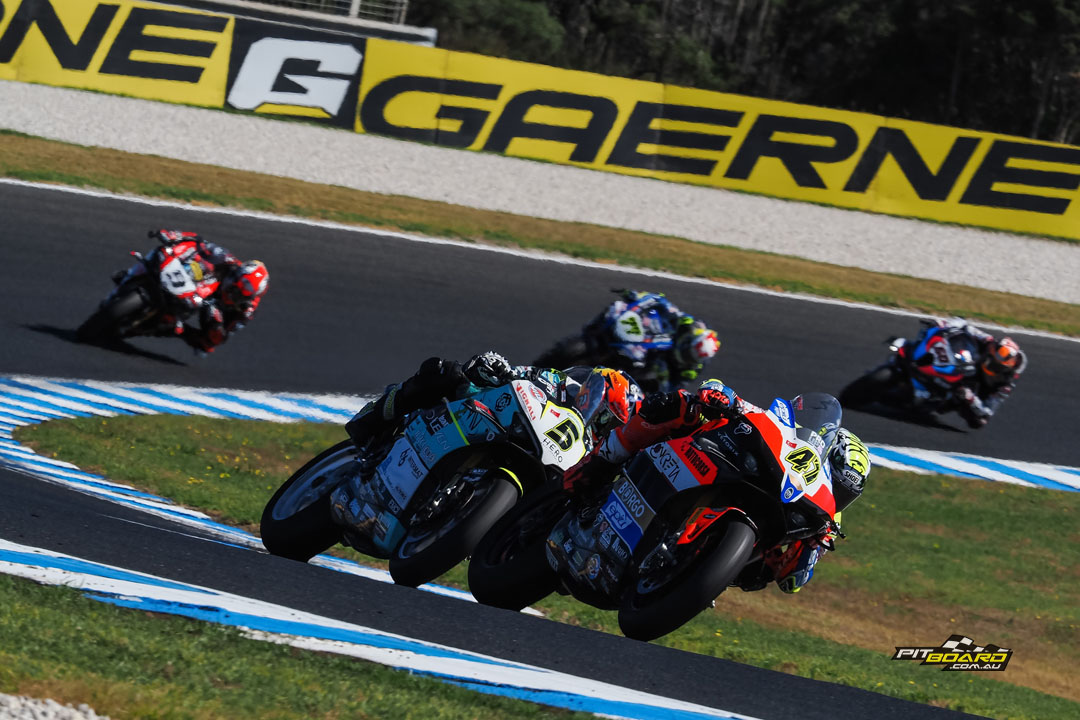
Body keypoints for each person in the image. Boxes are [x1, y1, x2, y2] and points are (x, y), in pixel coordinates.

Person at [562, 379, 871, 594]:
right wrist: (723, 396)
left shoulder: (823, 518)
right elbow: (731, 399)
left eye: (844, 493)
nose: (836, 493)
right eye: (836, 481)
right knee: (681, 405)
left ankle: (682, 570)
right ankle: (600, 463)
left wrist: (804, 552)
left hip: (728, 557)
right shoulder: (788, 437)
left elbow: (793, 582)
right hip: (733, 466)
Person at [345, 351, 643, 452]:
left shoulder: (586, 450)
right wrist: (497, 368)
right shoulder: (559, 383)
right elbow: (519, 373)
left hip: (521, 457)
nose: (603, 423)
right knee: (447, 372)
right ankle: (375, 416)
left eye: (612, 423)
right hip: (487, 415)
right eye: (606, 413)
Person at [538, 289, 721, 394]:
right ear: (689, 339)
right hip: (639, 340)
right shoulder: (686, 324)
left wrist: (661, 381)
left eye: (690, 356)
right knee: (617, 314)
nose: (686, 354)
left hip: (644, 371)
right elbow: (660, 302)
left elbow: (673, 388)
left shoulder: (691, 370)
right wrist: (637, 298)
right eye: (688, 349)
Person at [134, 229, 269, 353]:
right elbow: (200, 243)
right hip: (200, 286)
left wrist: (217, 327)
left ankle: (170, 328)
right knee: (189, 263)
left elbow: (224, 334)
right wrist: (174, 236)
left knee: (208, 343)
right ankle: (141, 274)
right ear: (236, 274)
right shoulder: (227, 260)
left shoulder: (247, 310)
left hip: (214, 307)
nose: (233, 295)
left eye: (240, 296)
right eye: (234, 289)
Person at [925, 318, 1026, 429]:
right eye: (990, 356)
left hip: (976, 392)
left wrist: (971, 399)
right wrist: (944, 324)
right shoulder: (989, 342)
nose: (988, 362)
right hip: (966, 363)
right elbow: (966, 325)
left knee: (979, 421)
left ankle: (941, 403)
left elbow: (988, 411)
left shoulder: (1004, 387)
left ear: (1005, 370)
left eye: (994, 365)